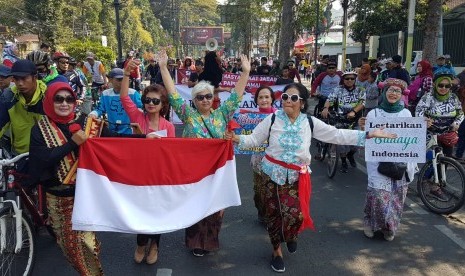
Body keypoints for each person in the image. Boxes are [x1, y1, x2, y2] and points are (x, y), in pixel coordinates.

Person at [225, 83, 395, 273]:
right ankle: (276, 251)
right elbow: (254, 140)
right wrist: (237, 138)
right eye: (285, 97)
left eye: (294, 98)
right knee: (273, 216)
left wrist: (369, 135)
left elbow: (336, 135)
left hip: (297, 176)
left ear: (303, 103)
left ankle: (290, 235)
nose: (288, 101)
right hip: (271, 173)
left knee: (295, 215)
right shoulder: (273, 119)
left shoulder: (309, 122)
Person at [158, 51, 250, 257]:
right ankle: (195, 242)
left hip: (217, 173)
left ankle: (210, 241)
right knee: (194, 208)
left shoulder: (222, 114)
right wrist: (164, 68)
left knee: (215, 210)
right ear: (194, 100)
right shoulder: (188, 115)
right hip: (193, 173)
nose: (205, 100)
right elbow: (173, 95)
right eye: (200, 97)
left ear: (213, 98)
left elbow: (236, 96)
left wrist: (245, 73)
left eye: (208, 96)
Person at [27, 82, 104, 275]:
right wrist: (71, 144)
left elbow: (112, 143)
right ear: (49, 101)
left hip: (85, 195)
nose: (64, 103)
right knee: (71, 249)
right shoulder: (39, 129)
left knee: (89, 245)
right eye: (58, 99)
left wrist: (143, 137)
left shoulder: (85, 122)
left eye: (69, 99)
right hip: (58, 200)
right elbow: (42, 160)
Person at [121, 59, 175, 264]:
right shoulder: (137, 116)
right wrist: (127, 74)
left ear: (163, 105)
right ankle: (141, 244)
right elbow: (125, 97)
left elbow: (171, 153)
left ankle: (155, 246)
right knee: (141, 214)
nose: (150, 104)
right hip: (138, 175)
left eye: (155, 101)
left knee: (157, 213)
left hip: (159, 176)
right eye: (147, 100)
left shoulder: (168, 126)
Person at [359, 78, 416, 242]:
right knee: (377, 195)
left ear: (401, 95)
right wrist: (362, 127)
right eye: (390, 90)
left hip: (400, 163)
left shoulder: (406, 113)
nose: (394, 93)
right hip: (378, 162)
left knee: (397, 197)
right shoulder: (373, 114)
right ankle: (369, 223)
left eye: (397, 91)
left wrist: (423, 126)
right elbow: (367, 138)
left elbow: (412, 137)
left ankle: (389, 227)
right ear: (384, 93)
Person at [416, 73, 463, 201]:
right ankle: (426, 181)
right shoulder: (428, 97)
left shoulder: (453, 98)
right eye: (441, 85)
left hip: (448, 134)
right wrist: (424, 120)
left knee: (445, 161)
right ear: (436, 85)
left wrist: (456, 124)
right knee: (432, 160)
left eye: (447, 86)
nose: (444, 88)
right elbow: (418, 111)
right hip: (431, 133)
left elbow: (460, 114)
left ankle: (436, 184)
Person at [321, 70, 366, 172]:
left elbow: (363, 103)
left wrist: (354, 111)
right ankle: (344, 160)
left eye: (352, 78)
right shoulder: (338, 89)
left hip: (356, 119)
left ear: (355, 79)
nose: (349, 80)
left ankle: (350, 155)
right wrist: (325, 108)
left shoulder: (361, 90)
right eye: (347, 78)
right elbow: (330, 99)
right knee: (342, 142)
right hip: (341, 118)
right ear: (343, 80)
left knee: (357, 143)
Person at [0, 60, 47, 155]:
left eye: (24, 78)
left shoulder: (48, 96)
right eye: (16, 79)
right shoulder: (8, 96)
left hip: (45, 153)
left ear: (35, 77)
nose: (20, 83)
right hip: (18, 154)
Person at [248, 86, 276, 223]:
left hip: (277, 160)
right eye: (261, 97)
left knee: (273, 190)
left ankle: (272, 217)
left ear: (272, 99)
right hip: (258, 159)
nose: (264, 100)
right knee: (259, 191)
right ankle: (262, 212)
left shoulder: (281, 116)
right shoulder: (247, 118)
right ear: (256, 100)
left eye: (267, 97)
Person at [88, 68, 143, 134]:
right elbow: (100, 109)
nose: (122, 82)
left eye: (124, 79)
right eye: (119, 79)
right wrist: (93, 114)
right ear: (110, 80)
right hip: (112, 130)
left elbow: (142, 108)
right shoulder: (105, 94)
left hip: (130, 131)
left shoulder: (133, 93)